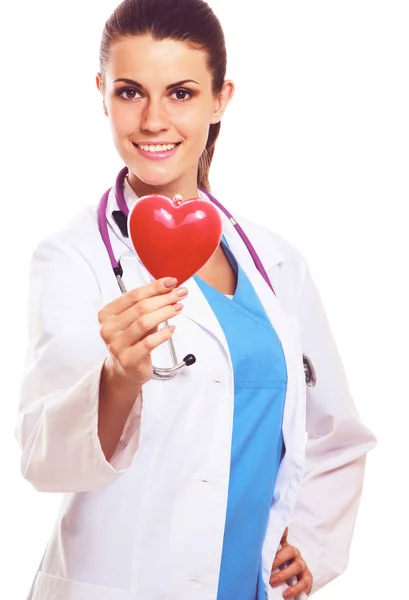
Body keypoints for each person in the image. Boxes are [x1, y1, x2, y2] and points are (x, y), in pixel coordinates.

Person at [16, 1, 376, 599]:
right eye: (131, 92)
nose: (154, 119)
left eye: (180, 93)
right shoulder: (71, 258)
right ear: (102, 92)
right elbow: (45, 461)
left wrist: (310, 540)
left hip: (245, 585)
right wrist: (117, 377)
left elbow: (338, 433)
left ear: (220, 99)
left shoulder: (276, 262)